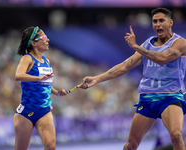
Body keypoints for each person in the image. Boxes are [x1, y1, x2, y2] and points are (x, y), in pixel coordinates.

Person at [78, 7, 186, 150]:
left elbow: (163, 58)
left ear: (170, 22)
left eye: (162, 20)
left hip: (170, 97)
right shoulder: (148, 44)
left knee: (176, 136)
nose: (158, 24)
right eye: (155, 21)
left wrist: (136, 46)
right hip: (147, 99)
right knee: (130, 146)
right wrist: (97, 79)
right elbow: (124, 66)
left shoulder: (180, 43)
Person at [14, 26, 68, 150]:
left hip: (44, 111)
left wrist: (57, 92)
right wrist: (38, 78)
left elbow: (46, 84)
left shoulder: (46, 61)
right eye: (44, 37)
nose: (48, 40)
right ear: (34, 43)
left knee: (50, 146)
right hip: (26, 112)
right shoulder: (27, 58)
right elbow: (18, 75)